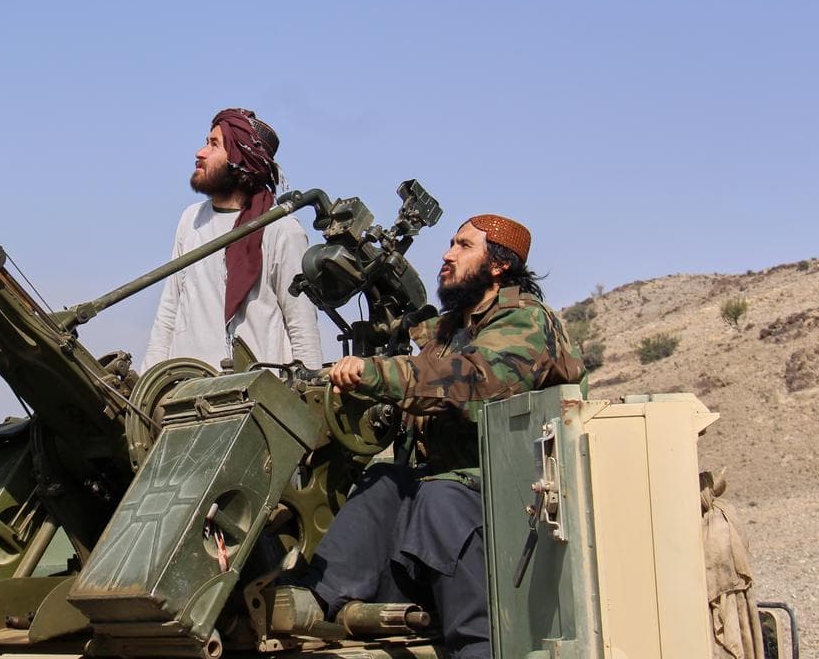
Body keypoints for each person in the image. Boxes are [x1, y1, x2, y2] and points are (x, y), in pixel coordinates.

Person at [285, 214, 586, 659]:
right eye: (450, 244)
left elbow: (473, 382)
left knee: (439, 496)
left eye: (464, 246)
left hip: (518, 493)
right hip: (453, 493)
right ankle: (314, 602)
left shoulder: (524, 322)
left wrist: (376, 374)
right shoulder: (446, 332)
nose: (447, 255)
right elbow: (412, 381)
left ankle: (478, 646)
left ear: (499, 264)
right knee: (385, 482)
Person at [140, 108, 322, 373]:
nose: (200, 153)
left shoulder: (281, 229)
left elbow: (301, 323)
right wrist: (149, 380)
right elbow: (170, 308)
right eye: (206, 142)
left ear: (241, 160)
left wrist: (309, 393)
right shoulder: (190, 219)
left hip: (255, 400)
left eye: (214, 145)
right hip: (186, 391)